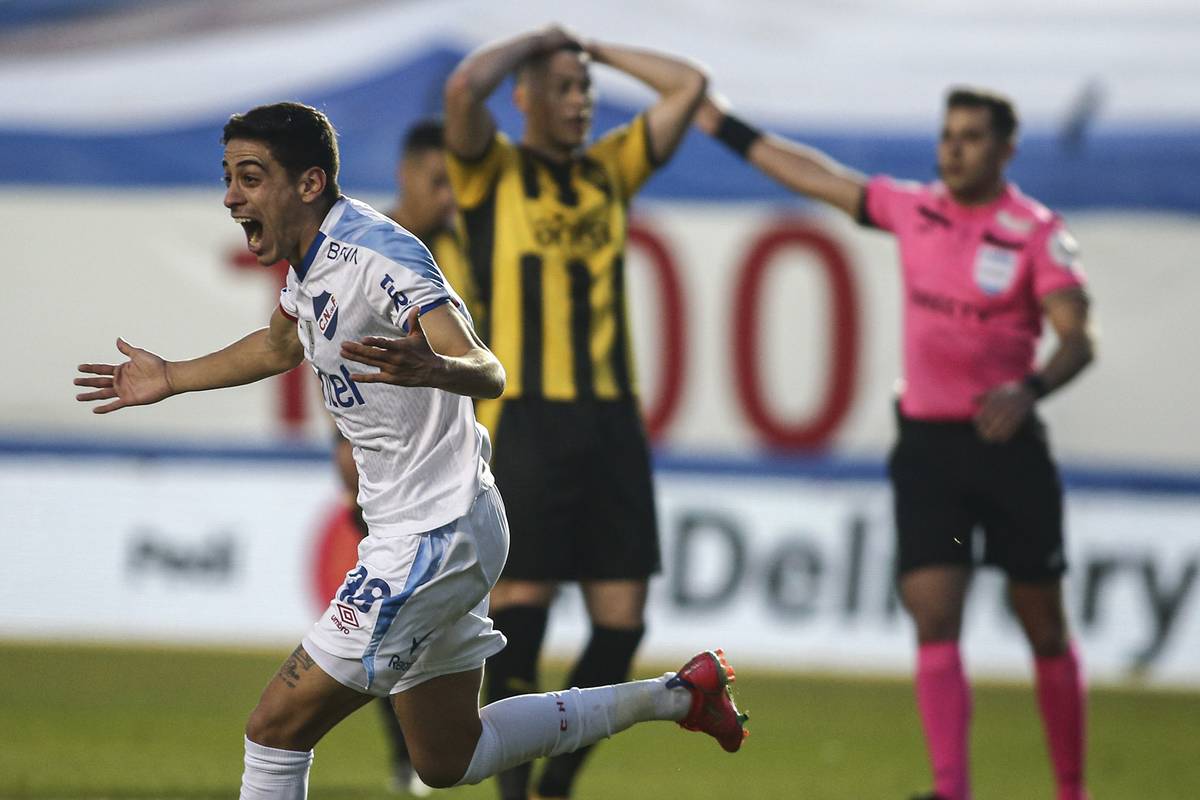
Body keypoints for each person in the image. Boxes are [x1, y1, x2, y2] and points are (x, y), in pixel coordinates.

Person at [74, 101, 746, 800]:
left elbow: (488, 369)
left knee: (274, 727)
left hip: (435, 530)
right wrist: (173, 377)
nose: (231, 196)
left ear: (308, 183)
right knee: (448, 755)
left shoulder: (378, 255)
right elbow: (279, 344)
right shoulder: (310, 268)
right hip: (439, 522)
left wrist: (436, 368)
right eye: (228, 177)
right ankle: (677, 696)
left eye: (249, 177)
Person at [694, 88, 1095, 800]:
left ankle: (1070, 789)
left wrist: (1028, 390)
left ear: (1006, 150)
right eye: (948, 135)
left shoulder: (1034, 232)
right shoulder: (917, 210)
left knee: (1044, 628)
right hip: (930, 449)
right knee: (934, 614)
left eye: (971, 137)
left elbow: (1078, 337)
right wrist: (722, 124)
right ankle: (951, 789)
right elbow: (814, 175)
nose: (954, 149)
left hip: (1008, 446)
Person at [443, 26, 715, 800]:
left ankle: (556, 785)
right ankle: (512, 787)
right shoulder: (491, 171)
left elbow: (688, 85)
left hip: (610, 422)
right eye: (560, 87)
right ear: (523, 98)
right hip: (527, 420)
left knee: (623, 623)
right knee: (521, 616)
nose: (578, 100)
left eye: (584, 88)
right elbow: (464, 90)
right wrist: (540, 40)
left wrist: (594, 46)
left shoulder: (608, 169)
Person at [328, 116, 464, 797]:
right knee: (392, 626)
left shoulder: (456, 252)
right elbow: (337, 363)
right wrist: (342, 451)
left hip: (452, 471)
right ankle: (409, 759)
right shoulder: (370, 252)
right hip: (386, 474)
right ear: (407, 174)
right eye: (440, 182)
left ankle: (423, 756)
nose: (451, 197)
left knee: (431, 625)